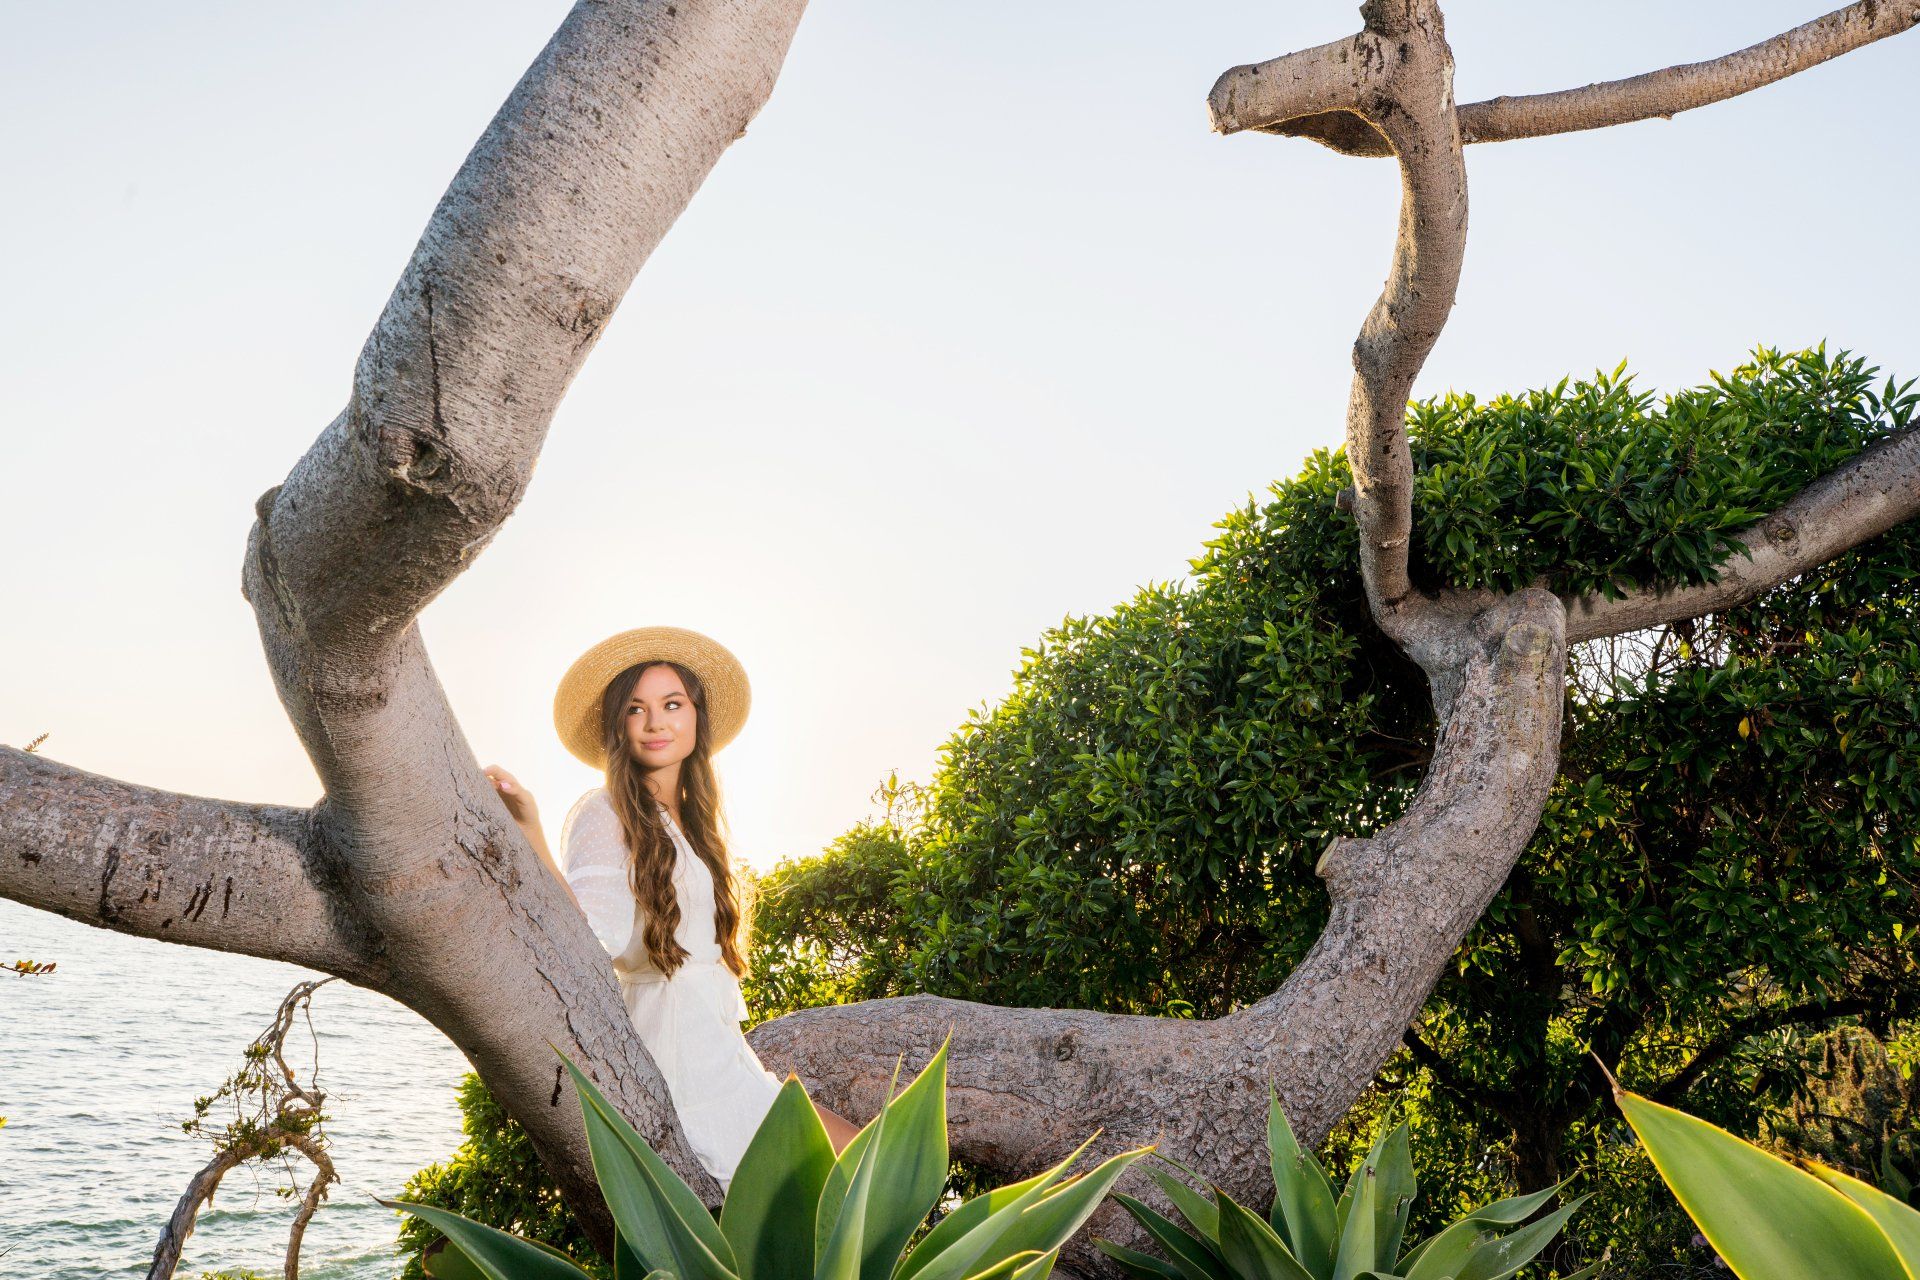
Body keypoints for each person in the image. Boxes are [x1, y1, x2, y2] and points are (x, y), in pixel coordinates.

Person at [483, 625, 859, 1189]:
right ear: (618, 726)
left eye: (672, 704)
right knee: (821, 1183)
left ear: (696, 716)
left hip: (722, 1053)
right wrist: (532, 835)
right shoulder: (606, 809)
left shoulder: (695, 821)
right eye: (636, 709)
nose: (656, 722)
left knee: (863, 1157)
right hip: (677, 1057)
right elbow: (587, 938)